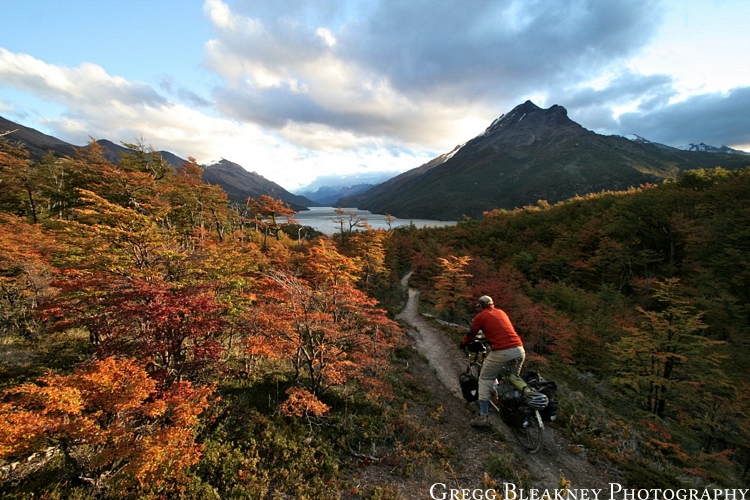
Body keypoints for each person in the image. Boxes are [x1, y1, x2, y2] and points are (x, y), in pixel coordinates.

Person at [460, 295, 526, 428]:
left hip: (503, 351)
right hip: (519, 350)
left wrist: (463, 343)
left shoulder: (481, 316)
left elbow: (471, 333)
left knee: (485, 378)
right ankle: (516, 410)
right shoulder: (501, 312)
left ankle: (483, 417)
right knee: (512, 379)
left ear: (481, 306)